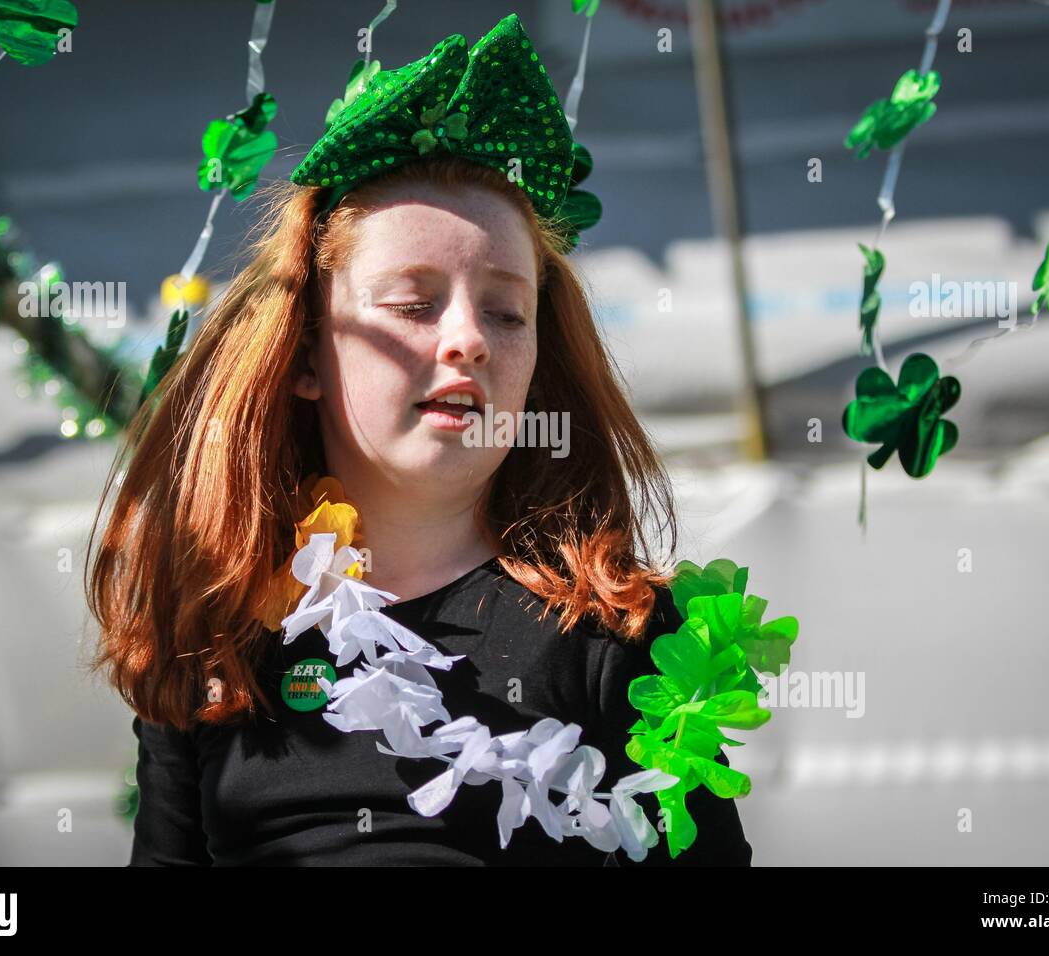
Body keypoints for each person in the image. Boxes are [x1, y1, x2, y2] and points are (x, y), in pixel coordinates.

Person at [85, 13, 754, 867]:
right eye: (413, 304)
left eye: (507, 312)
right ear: (304, 355)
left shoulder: (615, 628)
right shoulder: (214, 627)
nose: (468, 339)